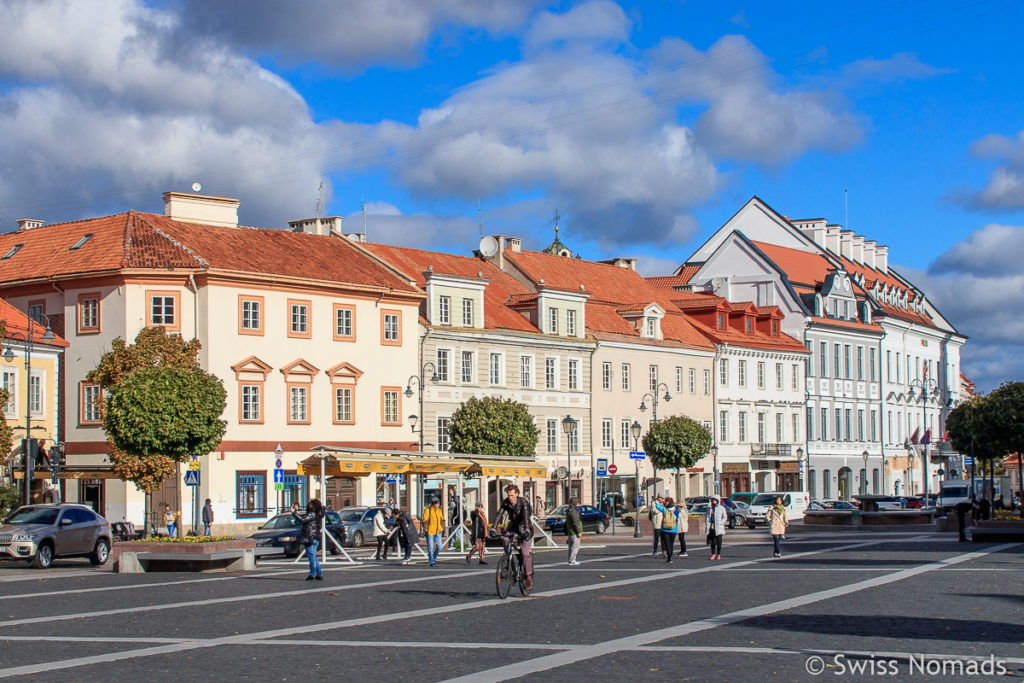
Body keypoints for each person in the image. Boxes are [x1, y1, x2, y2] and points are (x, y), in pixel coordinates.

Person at [498, 484, 535, 590]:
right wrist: (492, 528)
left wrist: (527, 529)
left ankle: (528, 577)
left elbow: (526, 517)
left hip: (525, 528)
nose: (510, 497)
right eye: (509, 495)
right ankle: (508, 561)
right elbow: (499, 514)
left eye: (512, 495)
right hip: (513, 527)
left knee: (524, 553)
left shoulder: (523, 502)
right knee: (505, 539)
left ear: (517, 494)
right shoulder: (506, 502)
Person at [292, 499, 325, 580]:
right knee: (314, 556)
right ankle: (319, 573)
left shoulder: (312, 514)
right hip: (316, 536)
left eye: (310, 504)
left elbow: (303, 519)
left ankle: (312, 573)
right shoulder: (318, 513)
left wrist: (294, 513)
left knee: (311, 556)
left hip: (310, 537)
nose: (308, 505)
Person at [423, 497, 446, 567]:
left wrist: (443, 528)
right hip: (430, 531)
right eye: (436, 503)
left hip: (438, 531)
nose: (438, 504)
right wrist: (426, 530)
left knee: (439, 546)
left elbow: (441, 520)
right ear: (433, 503)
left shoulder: (439, 510)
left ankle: (432, 558)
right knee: (430, 547)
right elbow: (425, 521)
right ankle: (432, 561)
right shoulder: (428, 510)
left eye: (439, 503)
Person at [656, 496, 677, 563]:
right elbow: (677, 518)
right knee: (671, 544)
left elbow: (657, 506)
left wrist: (660, 502)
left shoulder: (665, 510)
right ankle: (671, 556)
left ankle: (669, 558)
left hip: (665, 529)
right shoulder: (675, 510)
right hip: (673, 529)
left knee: (667, 544)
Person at [705, 496, 728, 560]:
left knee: (719, 541)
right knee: (712, 541)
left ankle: (718, 554)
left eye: (714, 500)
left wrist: (721, 522)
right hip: (711, 526)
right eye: (712, 500)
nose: (713, 501)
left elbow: (725, 517)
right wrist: (707, 527)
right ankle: (713, 554)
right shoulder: (709, 508)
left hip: (719, 527)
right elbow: (707, 517)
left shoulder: (721, 508)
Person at [565, 497, 583, 566]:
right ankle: (572, 560)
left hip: (571, 531)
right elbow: (575, 522)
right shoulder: (573, 511)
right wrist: (579, 531)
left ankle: (571, 560)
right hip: (574, 532)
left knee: (571, 546)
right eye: (577, 503)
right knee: (575, 546)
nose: (578, 504)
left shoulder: (569, 510)